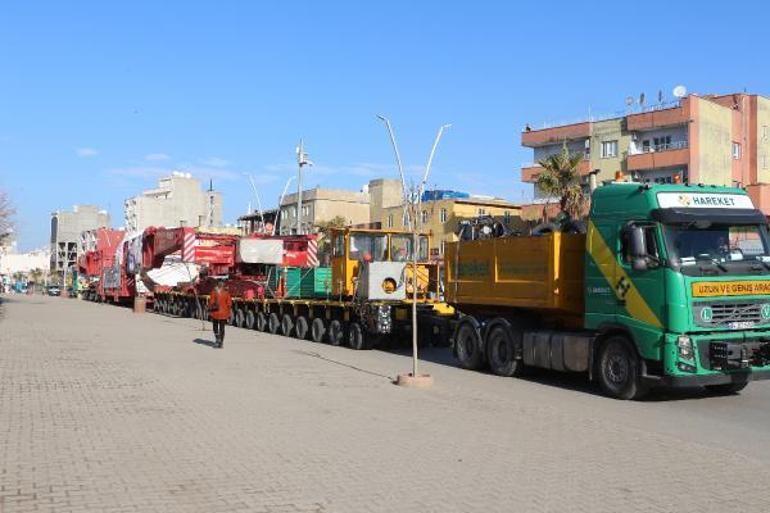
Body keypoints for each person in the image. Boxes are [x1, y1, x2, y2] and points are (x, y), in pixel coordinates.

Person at [208, 279, 232, 348]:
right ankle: (220, 342)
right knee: (222, 328)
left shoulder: (214, 292)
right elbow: (229, 303)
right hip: (222, 313)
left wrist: (211, 307)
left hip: (216, 312)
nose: (221, 284)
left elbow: (211, 302)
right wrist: (229, 311)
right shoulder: (225, 292)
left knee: (216, 327)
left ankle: (218, 339)